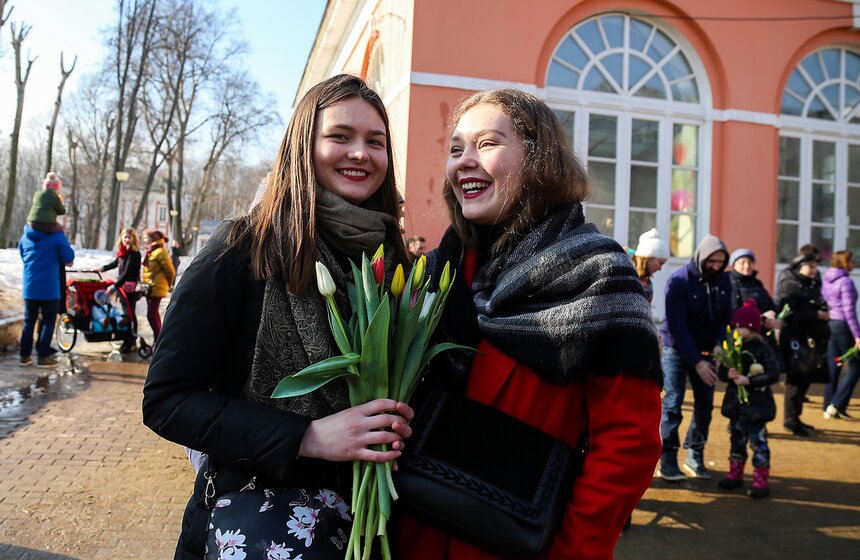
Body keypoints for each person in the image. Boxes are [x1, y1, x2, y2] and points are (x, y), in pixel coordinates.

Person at [142, 74, 415, 560]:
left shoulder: (391, 263)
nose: (361, 153)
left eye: (376, 142)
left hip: (371, 528)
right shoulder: (241, 249)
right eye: (339, 136)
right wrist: (307, 437)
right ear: (302, 146)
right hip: (253, 522)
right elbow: (167, 401)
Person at [393, 89, 663, 558]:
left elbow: (628, 444)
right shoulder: (434, 272)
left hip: (519, 542)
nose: (464, 162)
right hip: (414, 535)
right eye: (456, 149)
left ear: (539, 159)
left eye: (488, 144)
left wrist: (571, 551)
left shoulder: (602, 273)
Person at [659, 234, 732, 481]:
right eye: (712, 261)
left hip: (707, 350)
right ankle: (667, 458)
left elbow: (725, 318)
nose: (716, 266)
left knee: (705, 404)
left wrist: (720, 344)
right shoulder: (678, 281)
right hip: (676, 350)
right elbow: (678, 327)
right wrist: (697, 362)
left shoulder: (724, 281)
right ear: (702, 257)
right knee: (673, 404)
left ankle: (695, 452)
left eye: (721, 262)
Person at [716, 299, 780, 499]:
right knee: (736, 440)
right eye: (734, 326)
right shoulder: (733, 348)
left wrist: (749, 380)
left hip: (757, 406)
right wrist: (728, 373)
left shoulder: (763, 349)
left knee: (758, 442)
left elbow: (773, 373)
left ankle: (761, 479)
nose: (736, 330)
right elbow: (721, 372)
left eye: (740, 327)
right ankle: (735, 473)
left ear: (752, 329)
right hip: (737, 406)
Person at [778, 249, 829, 436]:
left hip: (809, 339)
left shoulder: (810, 283)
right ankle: (790, 420)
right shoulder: (790, 284)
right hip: (795, 340)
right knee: (795, 382)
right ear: (800, 266)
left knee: (804, 382)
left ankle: (796, 417)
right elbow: (788, 313)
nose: (814, 270)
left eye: (816, 266)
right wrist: (816, 314)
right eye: (810, 266)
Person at [18, 223, 75, 367]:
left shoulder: (26, 236)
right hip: (49, 288)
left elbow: (22, 255)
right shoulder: (56, 237)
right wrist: (62, 235)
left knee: (29, 321)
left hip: (30, 287)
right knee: (48, 322)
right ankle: (43, 356)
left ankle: (24, 357)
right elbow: (68, 258)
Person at [728, 248, 784, 369]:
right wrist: (762, 320)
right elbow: (735, 311)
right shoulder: (731, 283)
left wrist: (774, 314)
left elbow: (771, 304)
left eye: (750, 262)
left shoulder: (757, 283)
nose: (747, 266)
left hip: (763, 336)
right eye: (742, 262)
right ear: (733, 264)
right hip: (744, 338)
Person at [821, 250, 860, 419]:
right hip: (843, 325)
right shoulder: (846, 282)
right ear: (845, 262)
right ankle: (836, 404)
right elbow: (849, 311)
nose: (854, 263)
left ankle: (828, 405)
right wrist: (857, 335)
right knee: (856, 366)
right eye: (852, 260)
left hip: (831, 324)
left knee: (833, 364)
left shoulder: (827, 279)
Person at [100, 228, 142, 352]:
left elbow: (127, 273)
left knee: (129, 313)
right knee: (127, 313)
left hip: (129, 289)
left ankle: (130, 340)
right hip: (123, 287)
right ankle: (129, 338)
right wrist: (102, 268)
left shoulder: (134, 253)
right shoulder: (123, 253)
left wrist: (114, 286)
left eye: (130, 237)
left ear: (134, 239)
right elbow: (116, 263)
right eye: (125, 237)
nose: (127, 239)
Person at [141, 229, 175, 344]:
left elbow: (170, 271)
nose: (144, 240)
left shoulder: (160, 251)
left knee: (151, 314)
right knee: (153, 314)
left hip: (156, 287)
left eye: (145, 237)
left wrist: (169, 285)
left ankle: (158, 340)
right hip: (150, 287)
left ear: (151, 238)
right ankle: (158, 339)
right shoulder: (151, 251)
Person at [632, 227, 669, 303]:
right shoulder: (626, 277)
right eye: (660, 263)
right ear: (649, 258)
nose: (660, 268)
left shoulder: (647, 283)